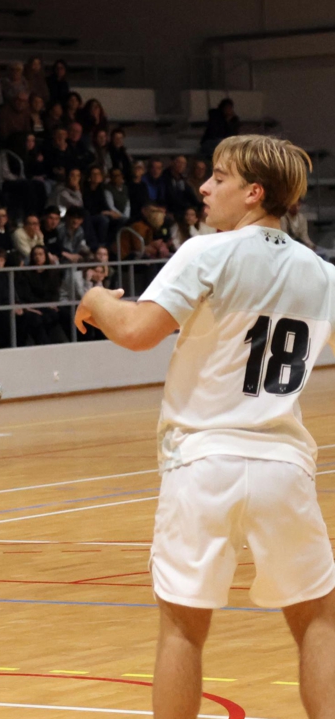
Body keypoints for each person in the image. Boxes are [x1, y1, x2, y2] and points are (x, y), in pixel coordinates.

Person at [75, 134, 335, 719]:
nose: (204, 187)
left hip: (203, 463)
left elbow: (139, 331)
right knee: (318, 620)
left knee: (183, 633)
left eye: (219, 177)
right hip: (285, 468)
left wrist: (95, 297)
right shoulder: (323, 274)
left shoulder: (206, 252)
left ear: (253, 193)